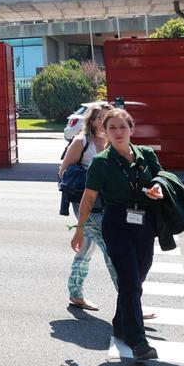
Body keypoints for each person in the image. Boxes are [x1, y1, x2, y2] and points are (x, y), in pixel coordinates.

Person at [70, 108, 166, 360]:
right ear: (105, 131)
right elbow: (89, 197)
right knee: (129, 280)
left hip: (144, 223)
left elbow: (161, 177)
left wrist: (156, 187)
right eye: (112, 128)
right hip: (116, 224)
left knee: (137, 279)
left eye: (122, 127)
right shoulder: (101, 162)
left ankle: (121, 323)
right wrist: (79, 229)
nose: (118, 132)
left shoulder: (145, 154)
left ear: (131, 129)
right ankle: (138, 341)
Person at [59, 104, 117, 311]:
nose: (102, 122)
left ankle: (75, 294)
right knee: (113, 250)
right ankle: (131, 302)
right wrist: (90, 180)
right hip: (86, 204)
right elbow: (63, 172)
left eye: (106, 118)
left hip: (108, 203)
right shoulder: (81, 141)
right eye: (99, 118)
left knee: (85, 250)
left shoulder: (113, 142)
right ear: (91, 121)